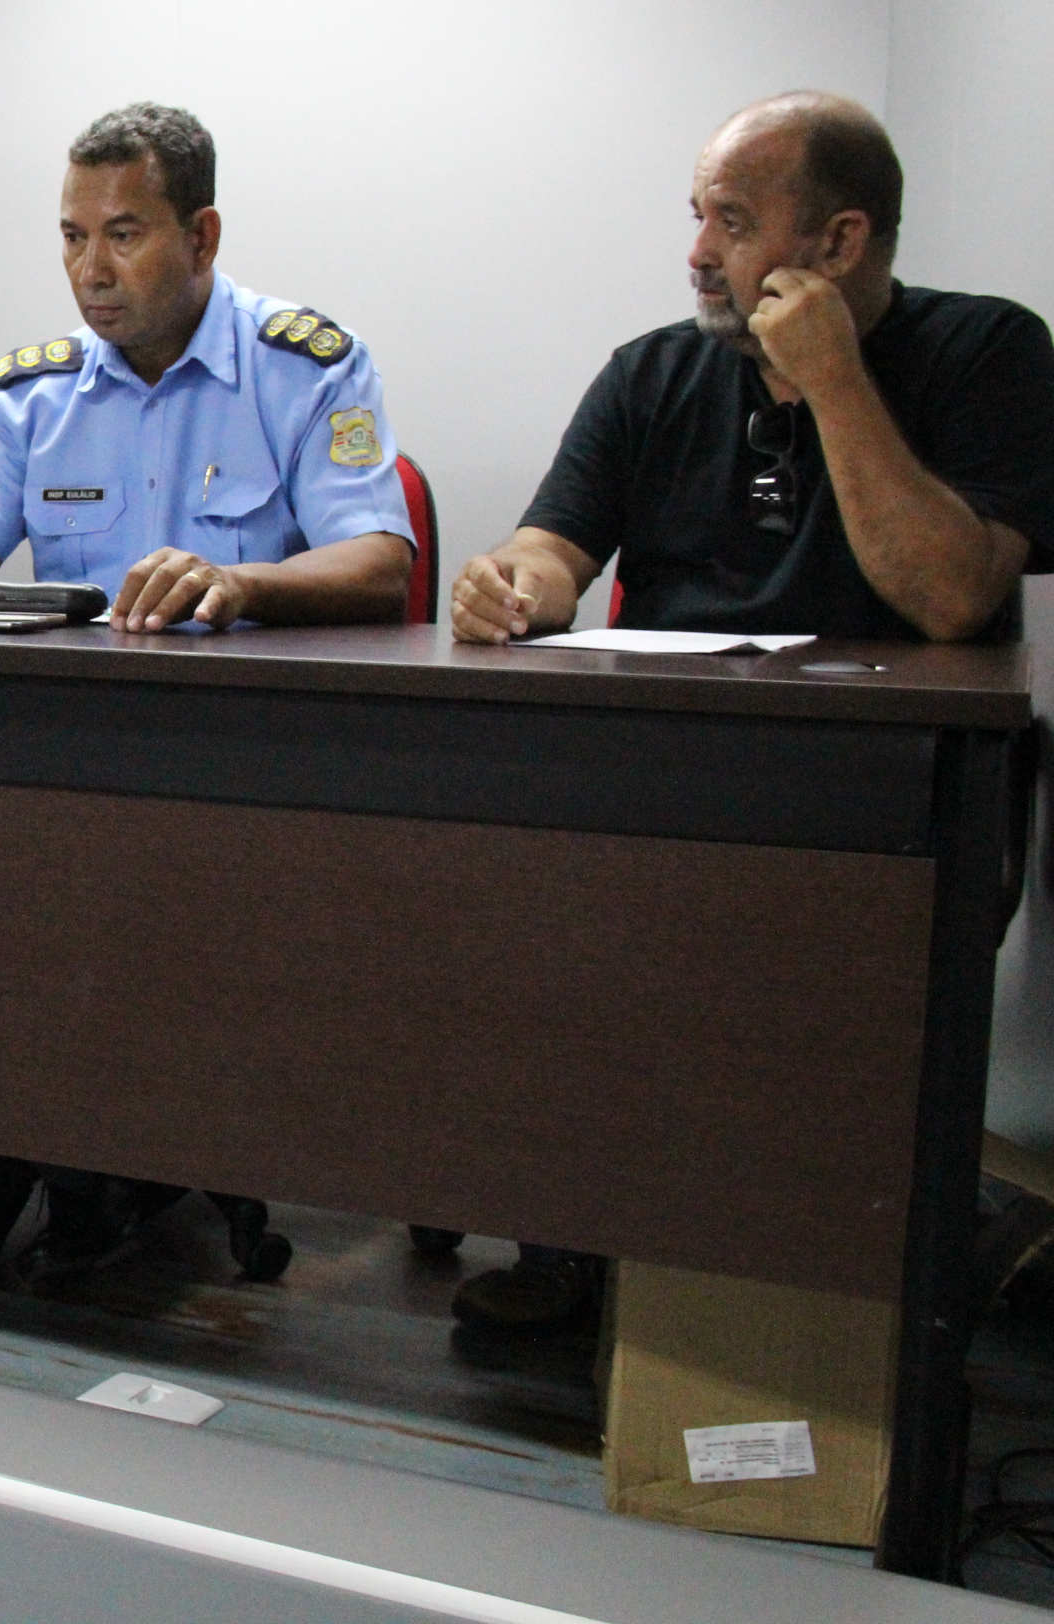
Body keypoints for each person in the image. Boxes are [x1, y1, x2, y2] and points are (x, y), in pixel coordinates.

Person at [447, 91, 1054, 1334]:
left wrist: (832, 383)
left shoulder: (988, 349)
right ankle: (580, 1241)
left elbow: (951, 596)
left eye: (731, 222)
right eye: (697, 217)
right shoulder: (653, 372)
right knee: (535, 909)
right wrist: (514, 583)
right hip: (677, 771)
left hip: (892, 793)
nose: (696, 253)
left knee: (809, 1014)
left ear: (839, 241)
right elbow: (554, 546)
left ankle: (806, 1292)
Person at [0, 102, 418, 1303]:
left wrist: (242, 581)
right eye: (72, 237)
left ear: (201, 236)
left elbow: (381, 561)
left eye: (124, 234)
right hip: (70, 765)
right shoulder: (37, 391)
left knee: (92, 889)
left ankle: (29, 1171)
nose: (91, 271)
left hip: (245, 770)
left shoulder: (307, 364)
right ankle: (27, 1162)